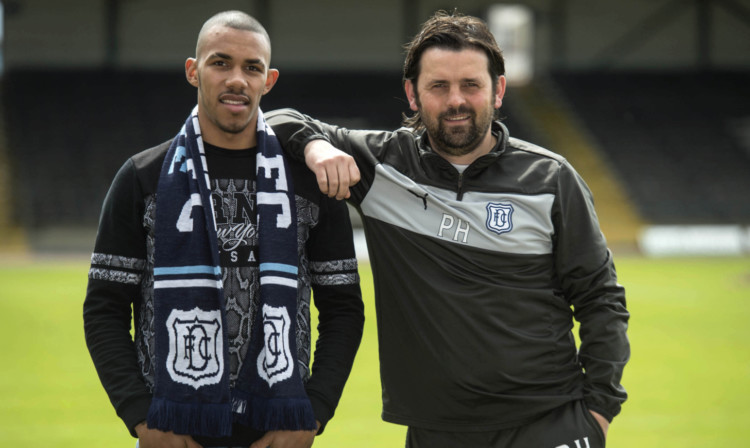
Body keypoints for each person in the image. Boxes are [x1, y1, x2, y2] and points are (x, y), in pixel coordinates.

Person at [266, 10, 629, 448]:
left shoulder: (551, 179)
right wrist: (316, 146)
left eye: (471, 85)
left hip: (548, 422)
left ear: (498, 90)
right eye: (439, 86)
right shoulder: (382, 166)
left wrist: (598, 413)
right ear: (413, 94)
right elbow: (275, 118)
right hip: (436, 431)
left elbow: (600, 298)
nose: (456, 100)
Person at [83, 10, 364, 448]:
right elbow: (104, 308)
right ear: (193, 72)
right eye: (221, 63)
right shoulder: (142, 177)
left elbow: (344, 308)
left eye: (251, 68)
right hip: (170, 427)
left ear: (268, 81)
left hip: (278, 426)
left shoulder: (308, 184)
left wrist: (314, 413)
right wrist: (140, 418)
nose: (237, 79)